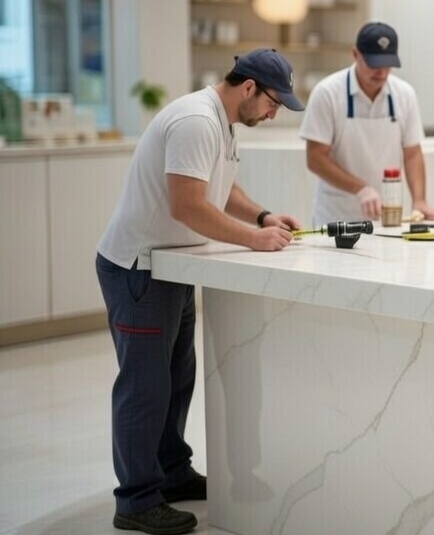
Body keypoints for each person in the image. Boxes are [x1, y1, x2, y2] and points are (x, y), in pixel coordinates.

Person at [95, 48, 305, 535]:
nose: (275, 114)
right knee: (144, 388)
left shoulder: (225, 121)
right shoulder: (196, 120)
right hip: (139, 268)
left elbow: (220, 186)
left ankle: (170, 472)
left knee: (176, 379)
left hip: (173, 264)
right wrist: (253, 240)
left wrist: (262, 216)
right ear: (249, 87)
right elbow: (187, 205)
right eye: (274, 103)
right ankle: (136, 499)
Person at [301, 22, 434, 225]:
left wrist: (419, 200)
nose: (382, 73)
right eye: (374, 64)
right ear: (355, 54)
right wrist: (361, 188)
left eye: (388, 65)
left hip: (387, 216)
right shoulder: (327, 93)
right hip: (335, 216)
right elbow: (315, 158)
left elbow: (412, 153)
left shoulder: (405, 94)